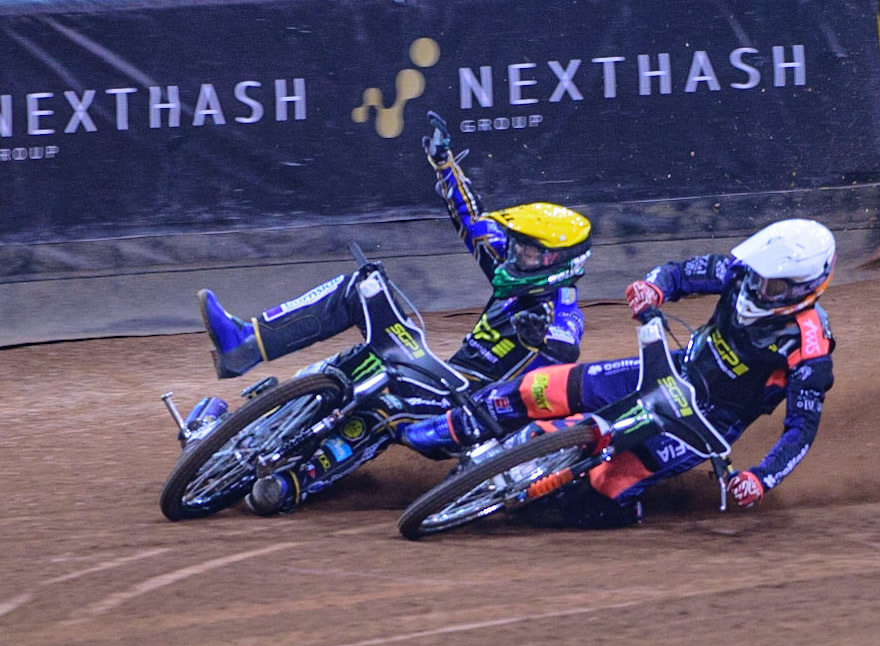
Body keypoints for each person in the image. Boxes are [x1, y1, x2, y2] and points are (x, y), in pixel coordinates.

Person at [198, 111, 593, 514]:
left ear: (560, 264)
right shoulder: (514, 270)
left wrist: (540, 340)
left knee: (385, 408)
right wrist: (444, 163)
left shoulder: (563, 313)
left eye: (529, 253)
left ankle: (290, 486)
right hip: (436, 374)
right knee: (363, 293)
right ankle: (246, 348)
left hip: (471, 411)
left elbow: (563, 353)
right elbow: (472, 221)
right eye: (517, 247)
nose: (515, 256)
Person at [402, 218, 836, 527]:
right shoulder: (740, 273)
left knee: (600, 491)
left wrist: (762, 478)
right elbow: (678, 274)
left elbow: (801, 430)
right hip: (671, 369)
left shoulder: (810, 348)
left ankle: (626, 506)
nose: (759, 288)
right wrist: (652, 288)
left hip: (703, 424)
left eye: (773, 285)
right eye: (759, 277)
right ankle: (440, 430)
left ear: (804, 288)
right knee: (540, 388)